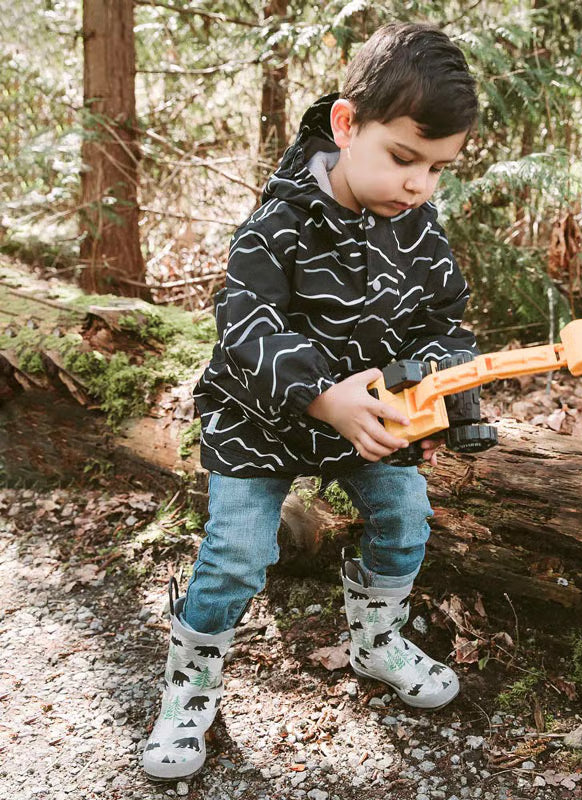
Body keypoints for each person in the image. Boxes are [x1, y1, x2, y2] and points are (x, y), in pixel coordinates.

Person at [142, 21, 480, 781]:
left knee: (404, 517)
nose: (418, 185)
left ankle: (377, 639)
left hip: (363, 421)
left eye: (438, 169)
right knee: (237, 552)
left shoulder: (419, 228)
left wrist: (441, 395)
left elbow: (445, 320)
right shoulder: (277, 224)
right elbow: (246, 325)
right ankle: (190, 685)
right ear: (346, 124)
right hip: (260, 419)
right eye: (402, 158)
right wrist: (321, 394)